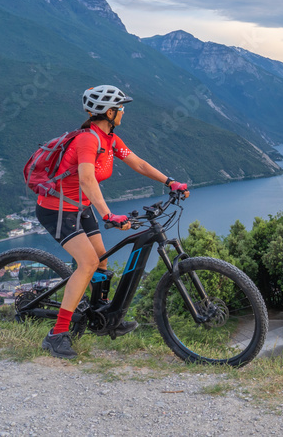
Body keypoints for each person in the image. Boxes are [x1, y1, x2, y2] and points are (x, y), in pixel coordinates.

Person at [35, 85, 189, 359]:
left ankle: (103, 316)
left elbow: (138, 164)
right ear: (109, 112)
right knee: (88, 263)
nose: (123, 112)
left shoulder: (109, 139)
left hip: (80, 207)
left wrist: (170, 182)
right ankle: (56, 335)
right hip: (57, 209)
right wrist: (108, 215)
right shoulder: (88, 140)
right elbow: (86, 179)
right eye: (121, 108)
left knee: (102, 262)